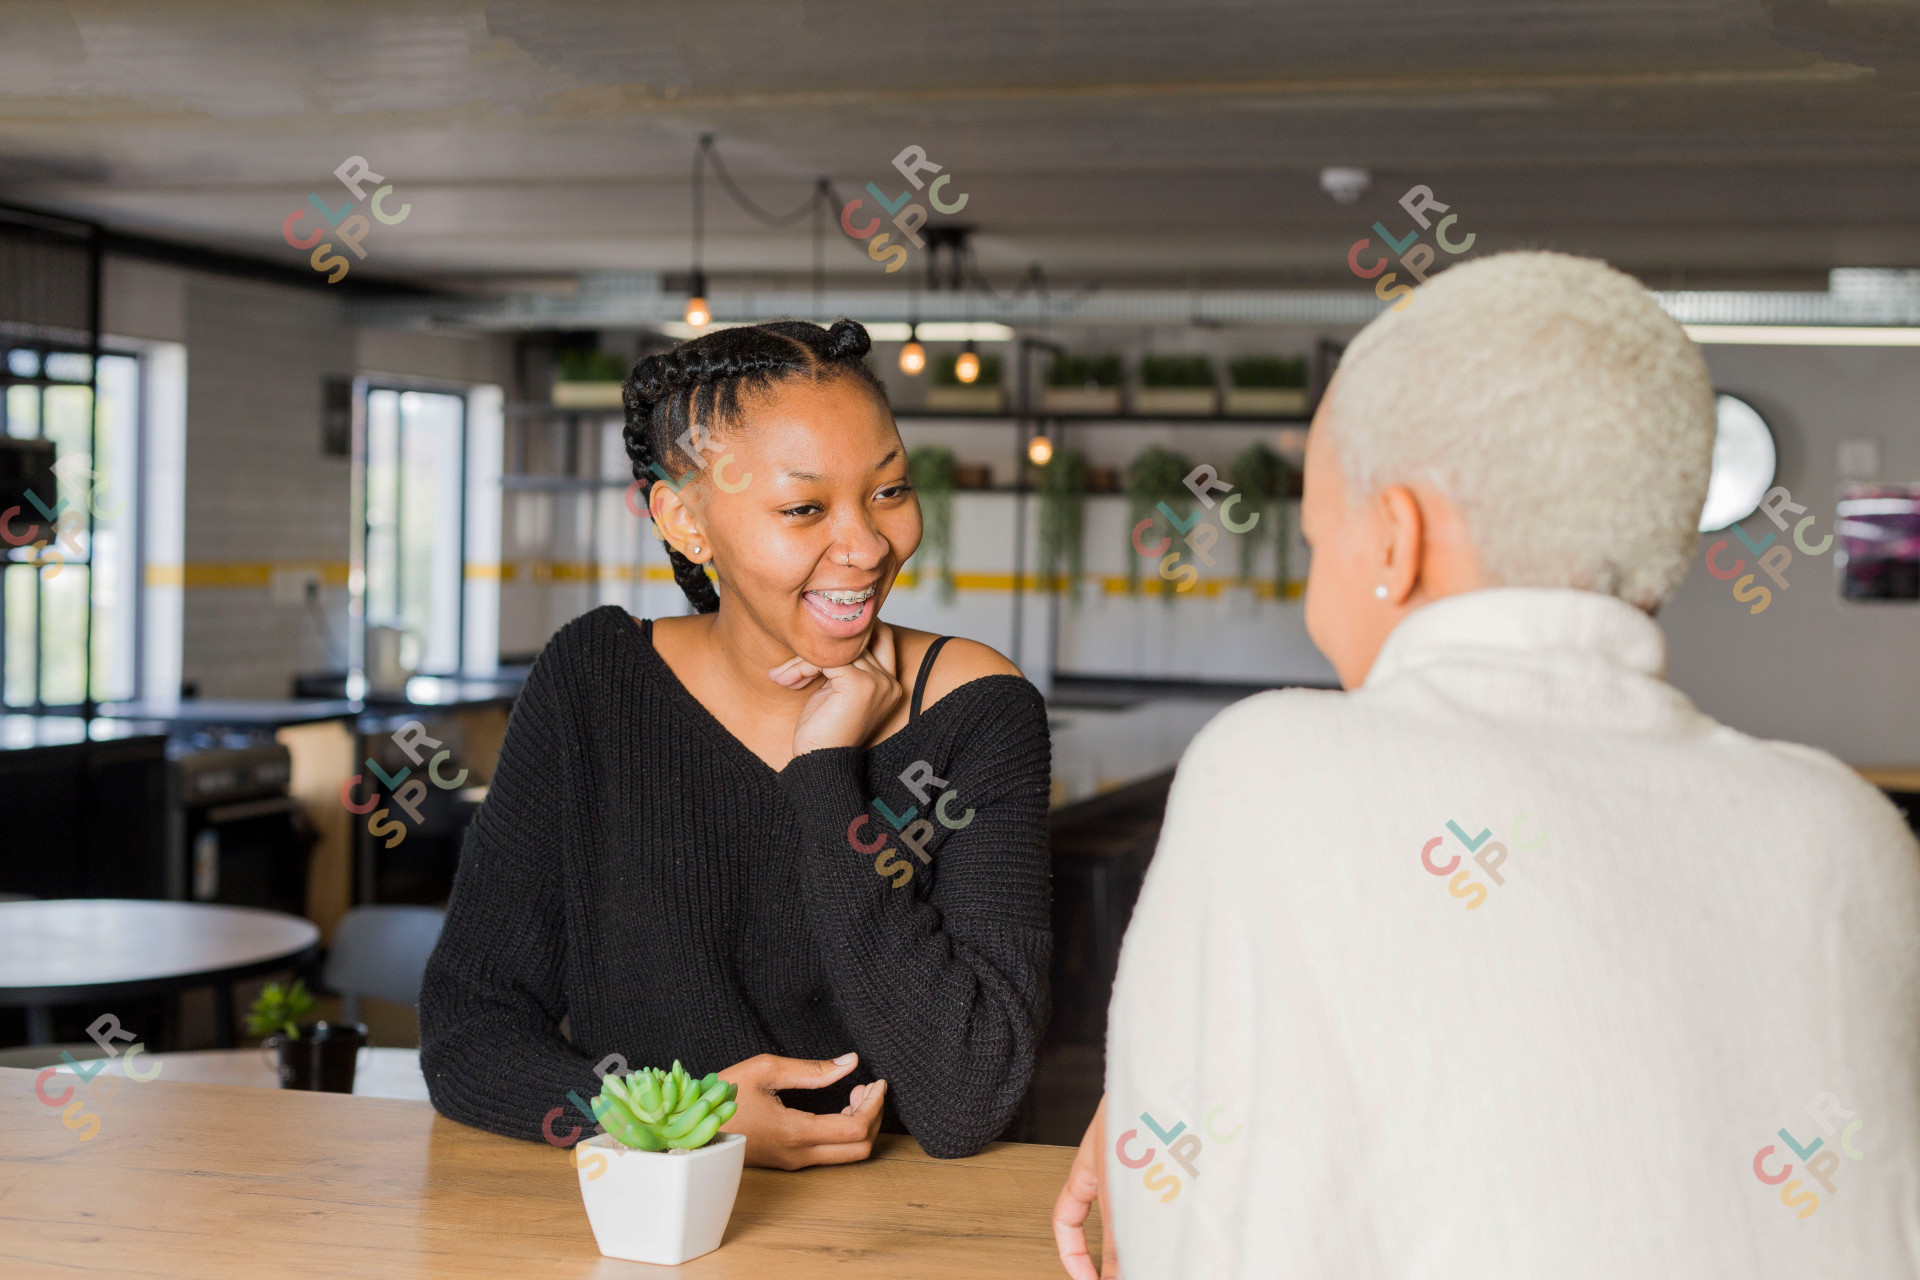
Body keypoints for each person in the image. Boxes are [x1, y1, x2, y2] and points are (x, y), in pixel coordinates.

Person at [1054, 252, 1920, 1277]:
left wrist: (1177, 1075)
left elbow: (1169, 1239)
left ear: (1395, 541)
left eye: (1316, 537)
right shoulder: (1842, 827)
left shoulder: (1269, 768)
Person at [420, 318, 1051, 1169]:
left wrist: (826, 777)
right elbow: (470, 1029)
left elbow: (965, 1096)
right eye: (803, 508)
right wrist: (678, 1127)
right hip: (653, 1235)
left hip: (900, 1237)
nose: (866, 546)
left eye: (890, 491)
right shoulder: (593, 684)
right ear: (684, 521)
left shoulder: (978, 710)